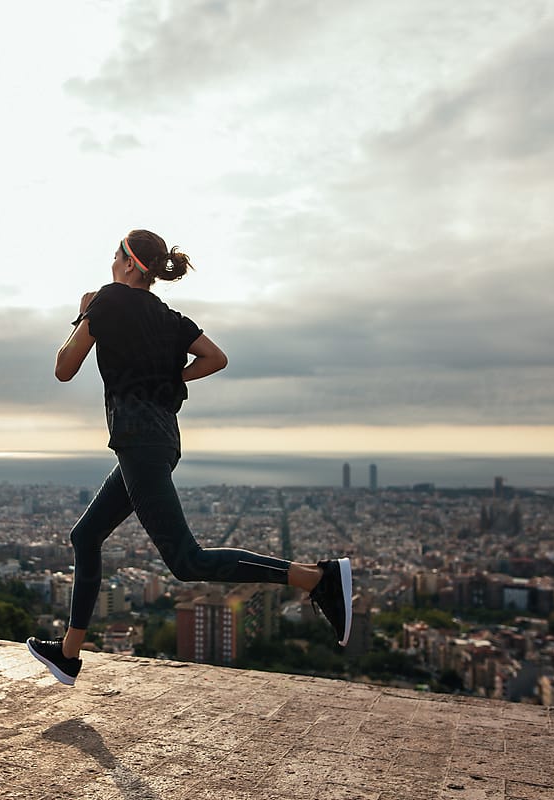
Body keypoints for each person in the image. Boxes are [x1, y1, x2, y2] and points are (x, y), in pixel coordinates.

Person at [26, 230, 352, 687]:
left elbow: (64, 369)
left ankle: (315, 578)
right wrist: (169, 376)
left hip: (139, 441)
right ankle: (68, 654)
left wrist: (83, 316)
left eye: (115, 252)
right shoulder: (169, 316)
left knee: (186, 560)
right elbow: (215, 358)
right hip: (161, 439)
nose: (111, 258)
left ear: (129, 263)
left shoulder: (107, 301)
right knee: (86, 536)